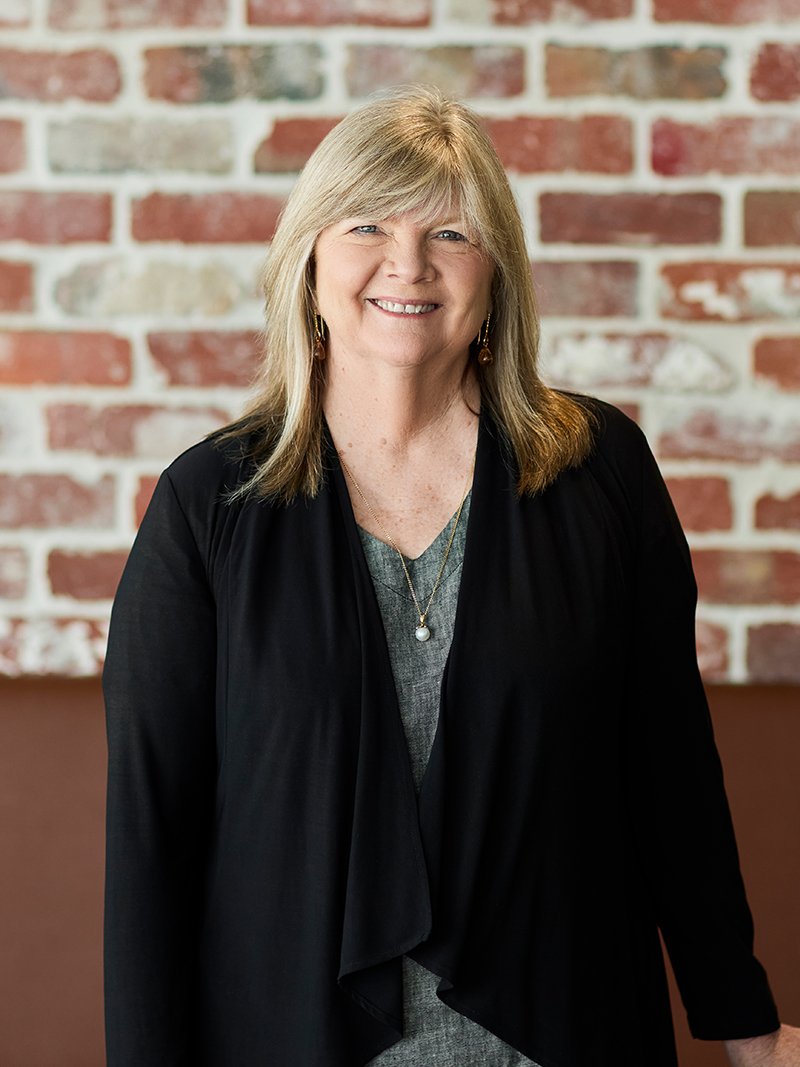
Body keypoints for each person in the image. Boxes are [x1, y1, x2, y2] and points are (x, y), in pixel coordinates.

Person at [103, 86, 799, 1067]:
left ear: (494, 276)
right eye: (367, 223)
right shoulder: (207, 503)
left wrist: (744, 1022)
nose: (407, 262)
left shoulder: (601, 472)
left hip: (566, 1032)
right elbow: (151, 831)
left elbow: (667, 770)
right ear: (308, 265)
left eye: (450, 233)